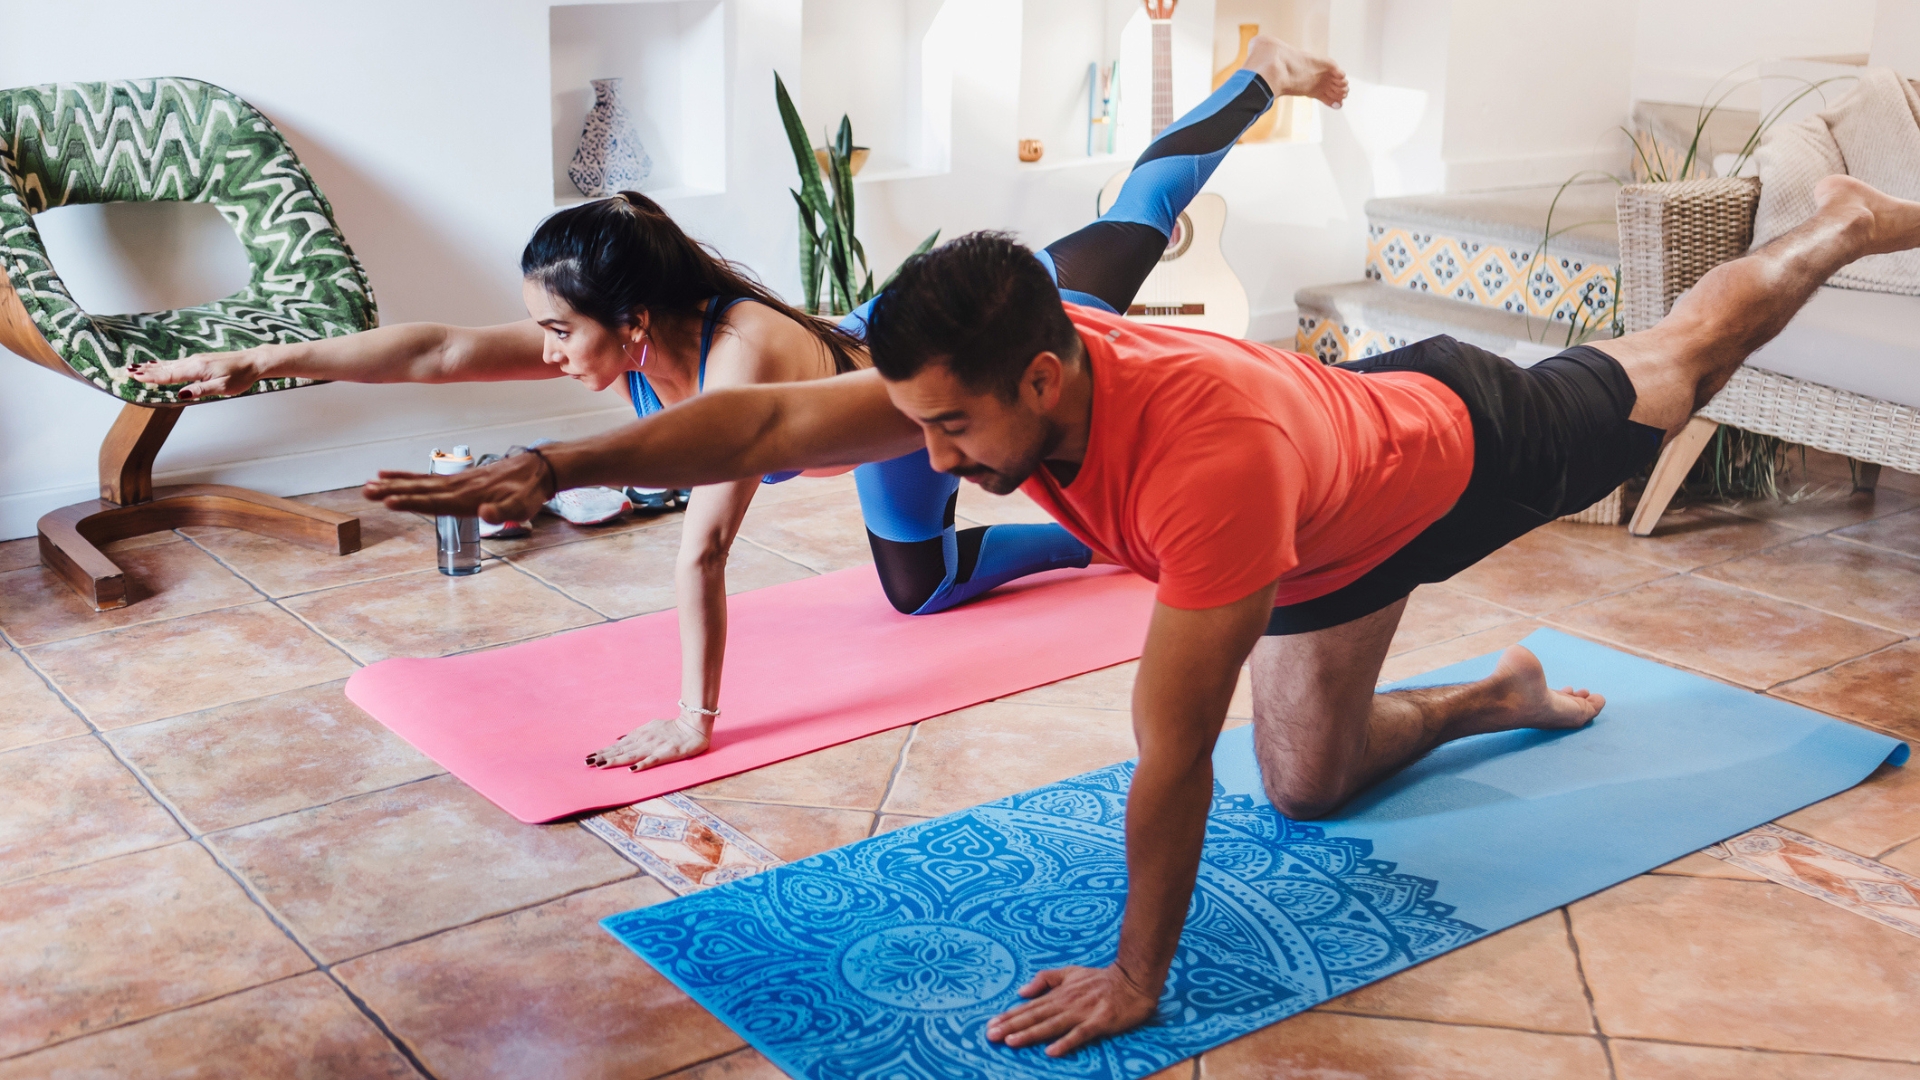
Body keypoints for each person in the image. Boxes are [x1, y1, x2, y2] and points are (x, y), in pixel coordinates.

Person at [364, 171, 1920, 1054]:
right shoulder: (991, 370)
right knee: (1308, 784)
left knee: (1678, 360)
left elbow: (1169, 754)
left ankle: (1831, 226)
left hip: (1459, 449)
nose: (932, 458)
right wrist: (554, 457)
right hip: (1333, 493)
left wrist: (1140, 977)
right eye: (913, 421)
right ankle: (1492, 691)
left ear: (1046, 378)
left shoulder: (1204, 471)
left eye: (954, 430)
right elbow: (765, 430)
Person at [131, 37, 1349, 772]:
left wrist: (691, 719)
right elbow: (444, 346)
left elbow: (705, 554)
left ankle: (1253, 81)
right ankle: (1107, 550)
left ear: (637, 325)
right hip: (871, 409)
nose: (548, 351)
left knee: (1130, 229)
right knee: (918, 590)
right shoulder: (630, 331)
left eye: (563, 334)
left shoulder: (749, 358)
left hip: (910, 379)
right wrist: (266, 362)